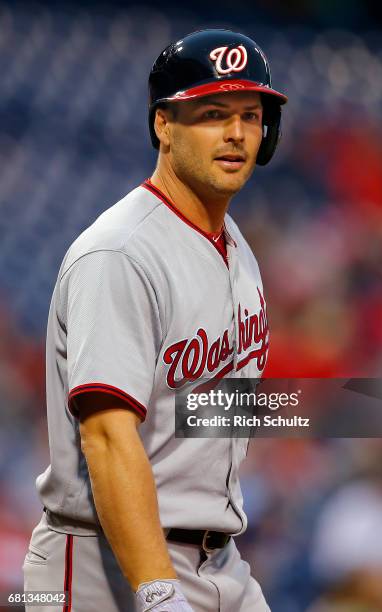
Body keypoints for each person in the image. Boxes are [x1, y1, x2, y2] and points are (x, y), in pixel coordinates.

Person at [23, 29, 288, 611]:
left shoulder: (234, 247)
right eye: (213, 113)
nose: (237, 133)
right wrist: (157, 591)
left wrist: (377, 407)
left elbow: (196, 407)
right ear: (163, 125)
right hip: (106, 566)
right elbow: (108, 435)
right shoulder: (121, 253)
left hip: (220, 564)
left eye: (250, 114)